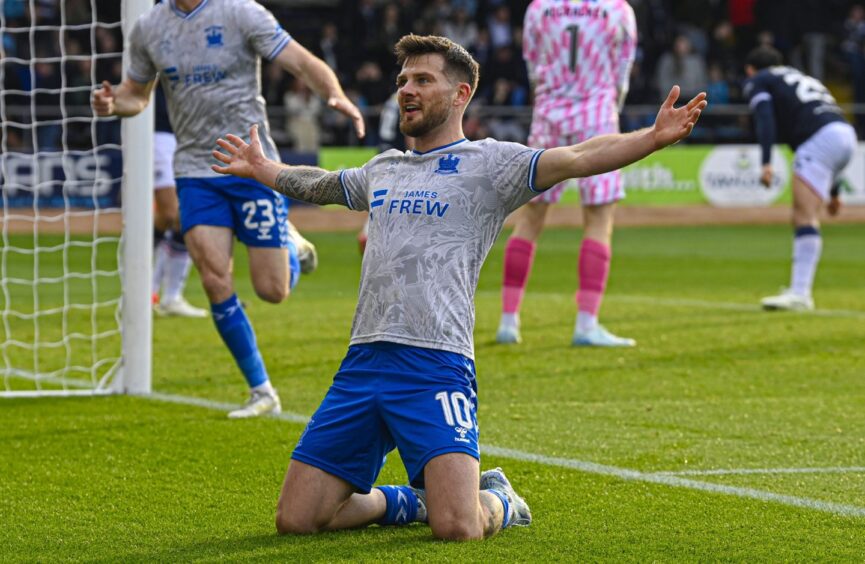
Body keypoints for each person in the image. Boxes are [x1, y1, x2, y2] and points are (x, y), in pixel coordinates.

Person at [211, 35, 706, 540]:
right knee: (297, 519)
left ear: (461, 93)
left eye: (423, 80)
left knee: (460, 526)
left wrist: (651, 137)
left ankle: (500, 499)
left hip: (435, 364)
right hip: (363, 363)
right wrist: (264, 169)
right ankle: (408, 502)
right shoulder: (384, 168)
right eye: (403, 80)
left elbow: (579, 155)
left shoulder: (492, 165)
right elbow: (323, 184)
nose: (407, 89)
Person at [91, 0, 364, 418]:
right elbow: (136, 95)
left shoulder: (241, 13)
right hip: (196, 170)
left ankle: (293, 246)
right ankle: (261, 391)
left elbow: (302, 61)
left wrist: (334, 95)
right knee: (215, 280)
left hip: (252, 164)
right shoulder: (149, 28)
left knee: (272, 291)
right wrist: (114, 104)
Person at [496, 0, 639, 347]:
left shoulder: (538, 8)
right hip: (597, 115)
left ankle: (508, 321)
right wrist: (610, 105)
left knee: (530, 216)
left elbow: (531, 64)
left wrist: (548, 98)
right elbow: (623, 71)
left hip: (549, 114)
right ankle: (586, 323)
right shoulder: (618, 9)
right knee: (599, 219)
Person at [743, 46, 857, 311]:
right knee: (806, 214)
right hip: (844, 134)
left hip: (819, 139)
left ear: (750, 69)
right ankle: (799, 291)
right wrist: (835, 190)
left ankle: (800, 293)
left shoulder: (759, 79)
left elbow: (765, 117)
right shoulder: (797, 75)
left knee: (803, 217)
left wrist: (766, 162)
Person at [151, 84, 207, 318]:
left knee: (184, 216)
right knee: (171, 214)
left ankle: (169, 296)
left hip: (188, 135)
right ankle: (148, 292)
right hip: (157, 133)